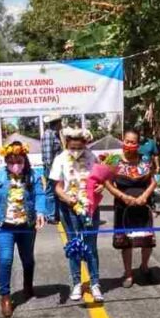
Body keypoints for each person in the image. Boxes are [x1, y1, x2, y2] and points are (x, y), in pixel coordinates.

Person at [0, 142, 46, 318]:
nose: (15, 165)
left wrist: (41, 211)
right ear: (5, 160)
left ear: (24, 159)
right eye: (11, 161)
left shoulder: (33, 175)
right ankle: (5, 296)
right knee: (6, 260)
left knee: (28, 260)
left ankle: (28, 286)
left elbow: (40, 194)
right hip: (3, 226)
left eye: (19, 161)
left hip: (26, 226)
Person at [51, 127, 104, 302]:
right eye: (72, 147)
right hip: (69, 209)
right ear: (67, 144)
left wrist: (100, 187)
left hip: (90, 207)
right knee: (74, 246)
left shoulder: (92, 158)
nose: (75, 151)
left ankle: (95, 283)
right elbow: (57, 187)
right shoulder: (60, 159)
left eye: (79, 147)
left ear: (85, 144)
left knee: (90, 246)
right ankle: (77, 283)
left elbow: (100, 180)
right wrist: (68, 199)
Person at [105, 129, 158, 287]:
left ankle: (144, 266)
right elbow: (107, 183)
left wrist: (145, 196)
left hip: (143, 205)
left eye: (133, 142)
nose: (129, 144)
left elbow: (155, 180)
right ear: (123, 141)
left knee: (147, 240)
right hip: (123, 207)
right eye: (127, 141)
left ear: (138, 144)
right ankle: (128, 274)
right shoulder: (113, 160)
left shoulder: (145, 160)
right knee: (126, 242)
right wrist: (122, 196)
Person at [41, 115, 64, 225]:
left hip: (57, 168)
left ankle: (56, 214)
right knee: (50, 191)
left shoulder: (56, 134)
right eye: (60, 122)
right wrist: (51, 172)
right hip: (52, 168)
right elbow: (48, 156)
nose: (61, 124)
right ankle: (50, 216)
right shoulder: (48, 134)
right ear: (57, 123)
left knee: (57, 190)